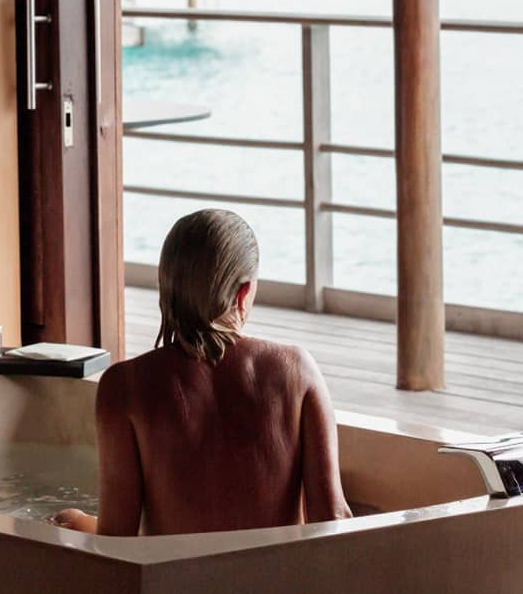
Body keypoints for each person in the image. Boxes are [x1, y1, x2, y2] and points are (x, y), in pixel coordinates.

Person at [52, 209, 352, 535]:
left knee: (68, 518)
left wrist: (76, 521)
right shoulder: (297, 371)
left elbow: (116, 541)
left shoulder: (125, 386)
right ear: (243, 292)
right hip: (273, 581)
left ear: (166, 288)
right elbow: (332, 519)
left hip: (175, 584)